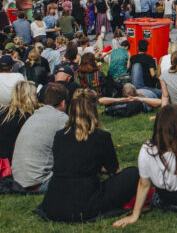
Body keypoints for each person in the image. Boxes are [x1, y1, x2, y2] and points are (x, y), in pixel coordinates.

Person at [41, 89, 138, 222]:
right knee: (133, 173)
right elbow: (115, 171)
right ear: (94, 110)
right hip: (85, 204)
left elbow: (72, 164)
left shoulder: (59, 136)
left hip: (55, 202)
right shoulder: (101, 137)